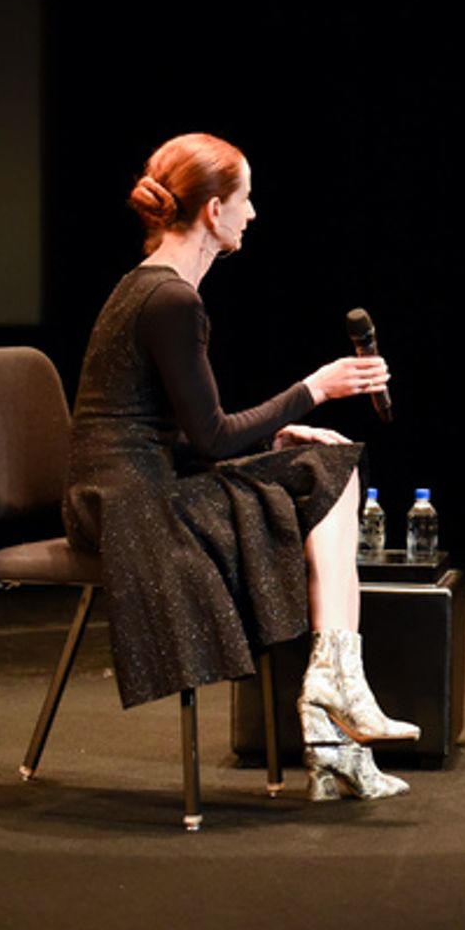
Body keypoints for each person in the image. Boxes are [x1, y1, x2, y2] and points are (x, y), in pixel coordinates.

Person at [64, 132, 417, 802]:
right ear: (211, 211)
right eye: (245, 198)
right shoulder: (172, 300)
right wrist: (316, 387)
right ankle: (335, 693)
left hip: (133, 485)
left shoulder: (155, 289)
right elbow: (215, 439)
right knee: (329, 470)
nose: (252, 213)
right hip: (131, 505)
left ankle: (335, 707)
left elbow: (199, 436)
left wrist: (279, 434)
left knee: (322, 464)